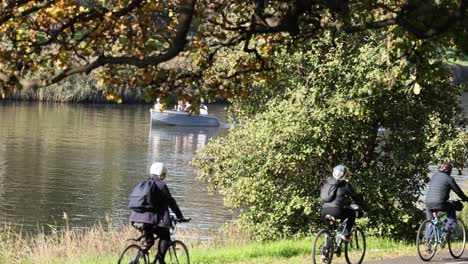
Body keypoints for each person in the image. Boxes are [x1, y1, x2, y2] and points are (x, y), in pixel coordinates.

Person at [129, 162, 189, 264]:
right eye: (164, 175)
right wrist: (180, 216)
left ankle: (135, 260)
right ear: (162, 175)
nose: (164, 178)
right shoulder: (161, 185)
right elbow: (171, 202)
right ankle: (161, 260)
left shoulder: (143, 184)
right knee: (165, 236)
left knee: (150, 241)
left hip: (134, 219)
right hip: (149, 220)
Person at [320, 165, 367, 242]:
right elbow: (355, 197)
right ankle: (346, 234)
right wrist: (365, 207)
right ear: (344, 175)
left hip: (324, 211)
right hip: (336, 211)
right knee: (351, 213)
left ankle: (327, 250)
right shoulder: (345, 184)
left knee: (331, 232)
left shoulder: (327, 183)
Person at [425, 162, 468, 231]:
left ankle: (427, 239)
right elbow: (458, 191)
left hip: (428, 203)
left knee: (430, 222)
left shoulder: (434, 176)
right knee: (451, 208)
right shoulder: (449, 179)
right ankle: (447, 226)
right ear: (449, 171)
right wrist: (465, 198)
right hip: (440, 203)